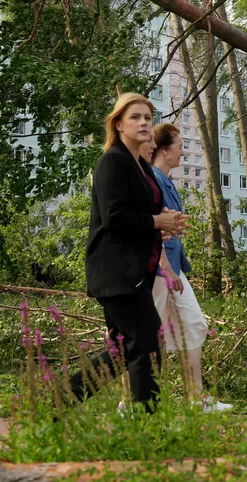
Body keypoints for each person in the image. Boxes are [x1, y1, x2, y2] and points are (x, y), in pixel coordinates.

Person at [68, 93, 188, 413]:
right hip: (115, 271)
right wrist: (154, 221)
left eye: (148, 117)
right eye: (135, 117)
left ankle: (57, 402)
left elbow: (138, 219)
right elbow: (114, 216)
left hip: (134, 272)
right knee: (146, 344)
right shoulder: (113, 161)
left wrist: (163, 226)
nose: (144, 123)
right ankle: (146, 420)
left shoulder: (142, 168)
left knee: (123, 349)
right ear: (118, 125)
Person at [149, 122, 232, 413]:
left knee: (194, 325)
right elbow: (153, 232)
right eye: (180, 145)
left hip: (173, 267)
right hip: (159, 271)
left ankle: (196, 398)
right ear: (164, 149)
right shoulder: (154, 180)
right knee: (149, 335)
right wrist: (165, 268)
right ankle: (139, 401)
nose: (183, 151)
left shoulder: (167, 180)